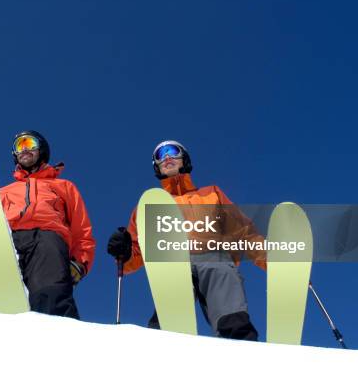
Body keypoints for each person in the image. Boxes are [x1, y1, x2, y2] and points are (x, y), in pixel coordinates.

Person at [107, 140, 266, 340]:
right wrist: (125, 250)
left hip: (213, 256)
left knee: (226, 295)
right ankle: (163, 339)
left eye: (172, 151)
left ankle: (238, 342)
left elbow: (244, 231)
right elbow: (138, 252)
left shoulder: (211, 194)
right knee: (171, 305)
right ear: (156, 165)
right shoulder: (150, 204)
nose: (166, 157)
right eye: (160, 154)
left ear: (184, 159)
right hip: (172, 260)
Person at [0, 130, 95, 319]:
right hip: (7, 241)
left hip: (47, 239)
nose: (24, 150)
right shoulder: (2, 192)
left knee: (50, 295)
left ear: (41, 149)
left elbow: (81, 229)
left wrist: (80, 262)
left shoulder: (64, 186)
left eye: (29, 144)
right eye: (19, 146)